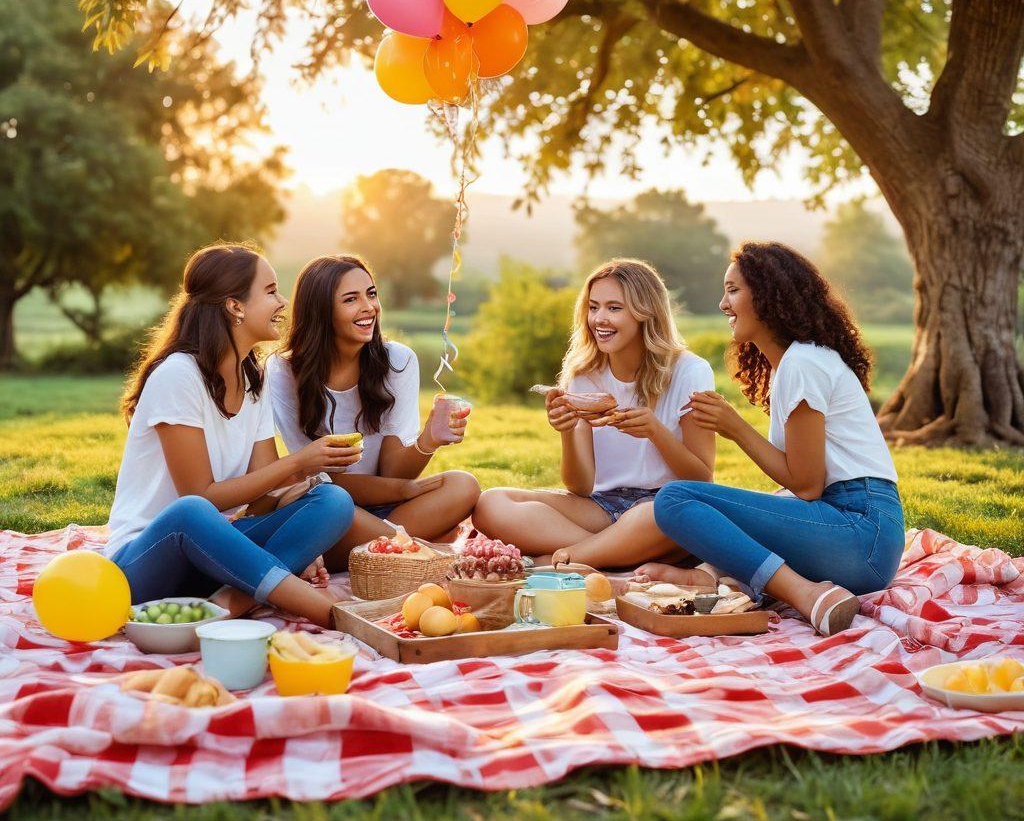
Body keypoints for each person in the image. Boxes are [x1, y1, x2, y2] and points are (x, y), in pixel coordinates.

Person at [646, 242, 905, 636]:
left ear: (768, 296)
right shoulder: (798, 362)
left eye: (733, 290)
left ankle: (804, 594)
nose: (722, 304)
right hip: (858, 532)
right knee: (730, 505)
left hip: (861, 531)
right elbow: (803, 490)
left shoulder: (802, 363)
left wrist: (735, 428)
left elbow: (806, 484)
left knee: (675, 498)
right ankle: (714, 577)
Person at [106, 243, 356, 629]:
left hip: (217, 557)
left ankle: (221, 608)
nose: (283, 302)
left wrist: (305, 482)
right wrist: (298, 461)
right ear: (234, 306)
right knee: (191, 512)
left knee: (332, 500)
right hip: (146, 563)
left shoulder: (252, 379)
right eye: (271, 291)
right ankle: (328, 613)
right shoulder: (178, 375)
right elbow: (199, 494)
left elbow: (264, 489)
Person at [473, 259, 715, 568]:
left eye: (614, 308)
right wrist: (567, 430)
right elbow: (580, 487)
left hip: (664, 505)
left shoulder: (690, 372)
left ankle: (566, 559)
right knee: (491, 503)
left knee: (670, 514)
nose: (599, 319)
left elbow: (702, 479)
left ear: (646, 313)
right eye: (593, 307)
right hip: (601, 508)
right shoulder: (584, 376)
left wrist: (655, 431)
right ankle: (611, 555)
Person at [266, 255, 480, 571]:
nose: (369, 307)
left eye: (371, 293)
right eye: (351, 299)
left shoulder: (397, 361)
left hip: (389, 506)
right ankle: (421, 555)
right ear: (321, 311)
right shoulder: (283, 372)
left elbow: (393, 470)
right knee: (331, 507)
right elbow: (325, 481)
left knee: (464, 485)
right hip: (333, 510)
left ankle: (378, 553)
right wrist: (405, 490)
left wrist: (429, 440)